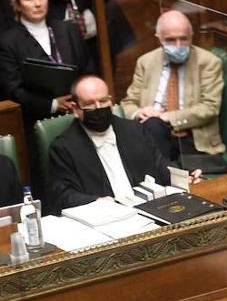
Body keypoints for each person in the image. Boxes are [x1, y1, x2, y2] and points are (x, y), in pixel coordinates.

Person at [48, 75, 176, 214]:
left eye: (103, 101)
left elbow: (160, 165)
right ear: (75, 109)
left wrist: (183, 176)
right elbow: (63, 196)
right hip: (104, 218)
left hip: (149, 211)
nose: (98, 108)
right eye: (90, 104)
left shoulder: (135, 130)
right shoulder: (63, 148)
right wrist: (96, 202)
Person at [119, 11, 225, 169]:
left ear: (192, 35)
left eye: (183, 39)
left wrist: (167, 117)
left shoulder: (209, 63)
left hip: (192, 140)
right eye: (170, 40)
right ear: (159, 39)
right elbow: (128, 103)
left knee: (155, 130)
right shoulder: (146, 62)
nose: (178, 45)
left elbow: (209, 108)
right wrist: (139, 113)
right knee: (153, 128)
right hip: (153, 134)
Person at [0, 0, 93, 135]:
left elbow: (87, 69)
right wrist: (53, 104)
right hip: (37, 122)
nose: (37, 3)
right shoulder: (7, 42)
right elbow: (14, 89)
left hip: (79, 113)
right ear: (16, 4)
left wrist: (80, 99)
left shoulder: (68, 30)